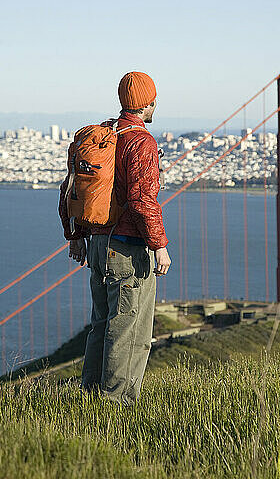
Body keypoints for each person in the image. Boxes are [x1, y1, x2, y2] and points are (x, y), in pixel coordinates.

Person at [59, 71, 171, 405]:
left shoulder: (99, 137)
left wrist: (76, 235)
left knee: (102, 325)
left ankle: (91, 396)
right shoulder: (141, 142)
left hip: (96, 245)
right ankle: (115, 406)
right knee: (130, 331)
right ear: (149, 102)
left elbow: (70, 189)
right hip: (128, 251)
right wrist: (160, 246)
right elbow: (142, 201)